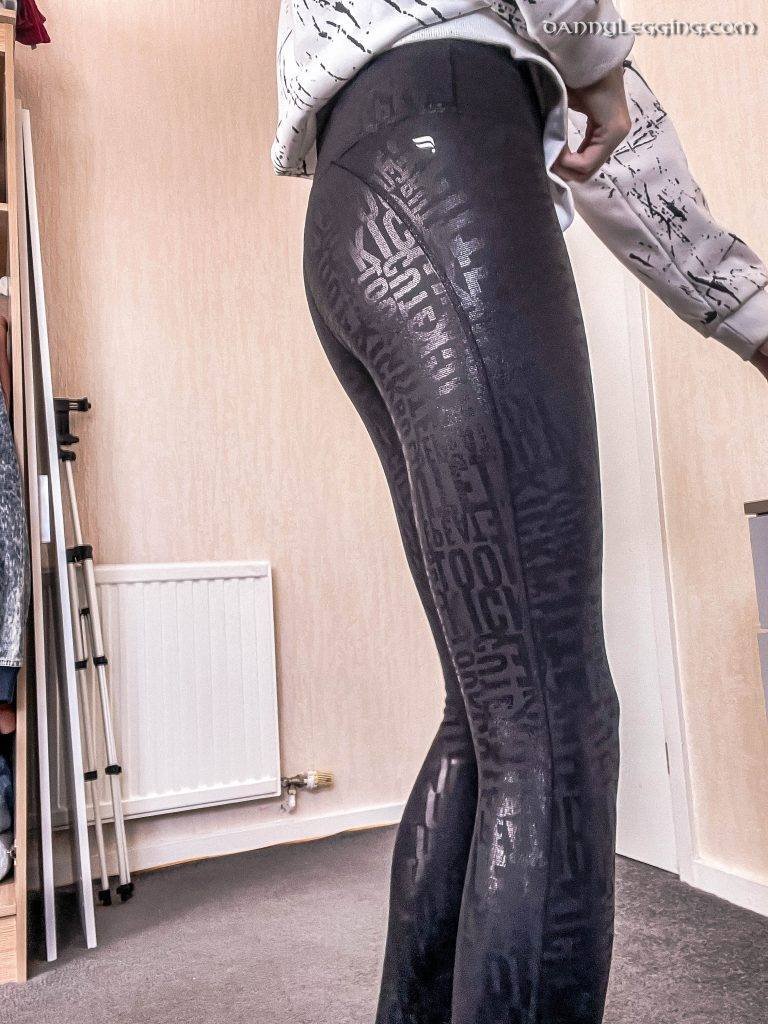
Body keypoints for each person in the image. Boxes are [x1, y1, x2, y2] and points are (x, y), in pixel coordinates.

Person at [273, 3, 768, 1022]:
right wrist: (599, 70)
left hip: (354, 200)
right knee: (554, 723)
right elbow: (585, 72)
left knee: (489, 712)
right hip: (450, 167)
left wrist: (750, 317)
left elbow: (604, 135)